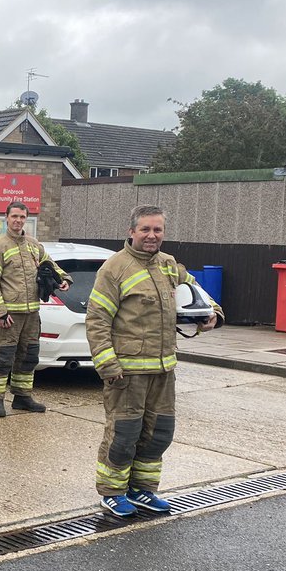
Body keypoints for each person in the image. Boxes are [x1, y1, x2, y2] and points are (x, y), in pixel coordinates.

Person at [85, 204, 222, 518]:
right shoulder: (114, 268)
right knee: (124, 434)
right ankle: (112, 493)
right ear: (131, 232)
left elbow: (198, 293)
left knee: (159, 432)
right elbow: (97, 320)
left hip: (163, 370)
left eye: (157, 229)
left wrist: (211, 314)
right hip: (126, 373)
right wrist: (107, 365)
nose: (151, 235)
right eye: (145, 229)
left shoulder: (169, 265)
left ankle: (142, 490)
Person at [0, 201, 71, 417]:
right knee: (3, 358)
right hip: (9, 316)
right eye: (14, 216)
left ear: (26, 219)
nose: (18, 220)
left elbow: (50, 265)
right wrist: (0, 313)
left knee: (29, 356)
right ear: (6, 217)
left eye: (22, 217)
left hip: (32, 314)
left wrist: (64, 279)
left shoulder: (34, 245)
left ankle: (22, 397)